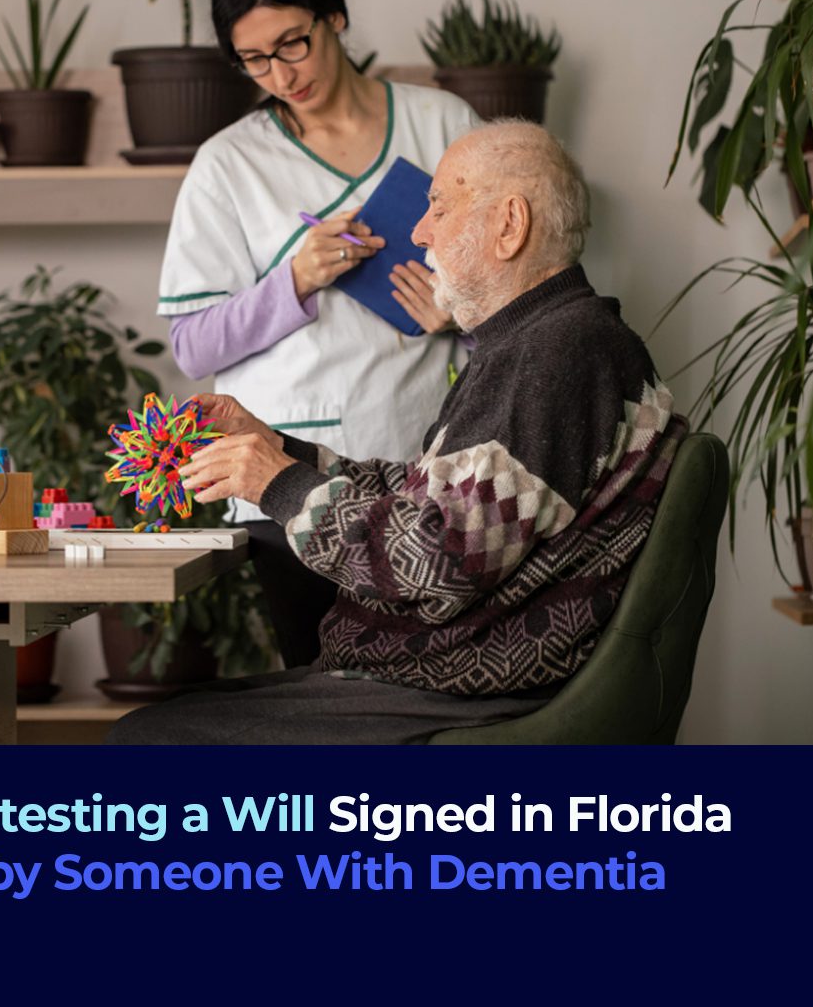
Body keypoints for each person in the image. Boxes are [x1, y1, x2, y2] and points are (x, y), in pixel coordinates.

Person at [109, 121, 688, 745]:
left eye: (438, 206)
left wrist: (277, 484)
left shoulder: (558, 355)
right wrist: (277, 450)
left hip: (466, 687)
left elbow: (438, 562)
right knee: (175, 717)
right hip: (443, 671)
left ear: (509, 225)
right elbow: (424, 500)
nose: (419, 231)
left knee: (144, 742)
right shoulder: (541, 343)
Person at [157, 0, 480, 669]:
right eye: (256, 60)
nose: (281, 73)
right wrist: (293, 281)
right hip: (286, 485)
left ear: (334, 14)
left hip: (422, 475)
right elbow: (193, 346)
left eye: (292, 44)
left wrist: (456, 314)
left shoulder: (445, 126)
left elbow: (522, 300)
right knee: (323, 687)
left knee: (425, 692)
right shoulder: (228, 165)